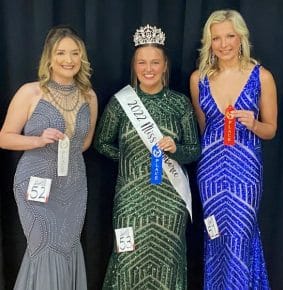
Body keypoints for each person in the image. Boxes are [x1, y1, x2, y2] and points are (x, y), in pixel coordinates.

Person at [94, 24, 200, 289]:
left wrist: (176, 149)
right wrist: (131, 160)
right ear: (134, 65)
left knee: (168, 263)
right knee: (127, 260)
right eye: (142, 62)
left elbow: (194, 150)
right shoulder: (121, 102)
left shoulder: (179, 103)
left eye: (155, 62)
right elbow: (101, 143)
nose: (148, 68)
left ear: (165, 66)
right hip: (130, 199)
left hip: (170, 200)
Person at [0, 25, 98, 290]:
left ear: (82, 57)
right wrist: (39, 140)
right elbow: (5, 137)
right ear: (49, 57)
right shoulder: (30, 92)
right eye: (61, 53)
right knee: (43, 245)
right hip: (35, 184)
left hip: (73, 185)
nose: (68, 60)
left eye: (75, 53)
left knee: (67, 247)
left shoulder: (89, 96)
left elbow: (85, 143)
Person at [190, 10, 277, 289]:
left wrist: (253, 123)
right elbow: (204, 128)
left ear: (241, 37)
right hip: (211, 173)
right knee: (215, 238)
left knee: (241, 235)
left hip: (246, 169)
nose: (224, 44)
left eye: (230, 36)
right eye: (217, 38)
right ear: (209, 42)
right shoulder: (199, 79)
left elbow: (271, 129)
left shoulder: (261, 77)